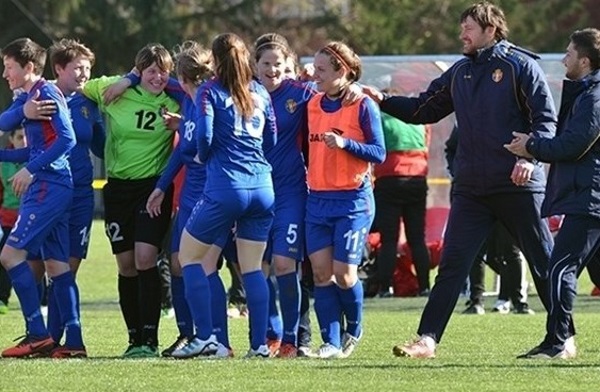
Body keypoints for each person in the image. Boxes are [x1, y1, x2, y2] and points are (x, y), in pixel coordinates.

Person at [363, 1, 560, 359]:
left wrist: (531, 156)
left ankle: (563, 339)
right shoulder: (459, 73)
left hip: (518, 183)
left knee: (543, 261)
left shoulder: (520, 66)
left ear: (490, 29)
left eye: (468, 28)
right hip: (472, 188)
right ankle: (427, 340)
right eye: (461, 28)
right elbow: (423, 108)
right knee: (453, 265)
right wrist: (382, 100)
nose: (461, 35)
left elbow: (546, 121)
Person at [171, 32, 277, 359]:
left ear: (215, 61)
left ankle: (205, 337)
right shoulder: (260, 91)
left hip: (226, 185)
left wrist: (204, 156)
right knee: (252, 268)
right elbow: (271, 138)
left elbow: (204, 135)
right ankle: (259, 346)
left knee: (187, 257)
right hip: (262, 186)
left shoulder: (209, 90)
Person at [1, 38, 106, 347]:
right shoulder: (30, 97)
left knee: (9, 256)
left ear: (29, 67)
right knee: (57, 267)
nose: (5, 74)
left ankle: (38, 333)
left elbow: (67, 139)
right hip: (55, 187)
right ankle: (73, 342)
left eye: (8, 67)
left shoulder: (46, 93)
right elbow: (30, 145)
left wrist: (31, 170)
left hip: (50, 186)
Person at [504, 27, 600, 359]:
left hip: (590, 198)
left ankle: (558, 343)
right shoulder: (586, 93)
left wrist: (531, 146)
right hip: (586, 194)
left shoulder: (595, 97)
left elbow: (574, 145)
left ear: (584, 61)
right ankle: (557, 340)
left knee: (560, 268)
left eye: (569, 54)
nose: (563, 59)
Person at [82, 43, 179, 358]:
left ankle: (150, 340)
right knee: (126, 265)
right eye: (151, 71)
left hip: (153, 189)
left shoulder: (172, 98)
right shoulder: (115, 92)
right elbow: (81, 86)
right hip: (118, 190)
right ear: (139, 71)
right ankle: (133, 338)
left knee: (145, 259)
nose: (158, 77)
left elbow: (197, 91)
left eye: (163, 71)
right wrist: (127, 80)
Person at [144, 40, 234, 358]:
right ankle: (190, 334)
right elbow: (184, 151)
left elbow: (207, 146)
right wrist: (161, 186)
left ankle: (218, 339)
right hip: (190, 194)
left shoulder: (216, 98)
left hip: (215, 194)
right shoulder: (190, 102)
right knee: (179, 263)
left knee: (206, 265)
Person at [306, 41, 385, 359]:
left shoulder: (363, 105)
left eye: (322, 70)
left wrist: (344, 143)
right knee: (321, 274)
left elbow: (379, 153)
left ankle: (354, 327)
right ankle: (330, 343)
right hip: (317, 200)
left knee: (345, 274)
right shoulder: (311, 103)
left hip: (353, 201)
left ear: (343, 71)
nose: (315, 74)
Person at [373, 93, 431, 298]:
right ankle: (425, 286)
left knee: (389, 239)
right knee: (417, 239)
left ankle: (385, 287)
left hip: (389, 178)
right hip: (417, 178)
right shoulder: (420, 121)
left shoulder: (380, 117)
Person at [0, 128, 25, 315]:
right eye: (19, 137)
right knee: (4, 259)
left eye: (26, 136)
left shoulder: (36, 158)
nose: (23, 141)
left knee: (38, 260)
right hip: (8, 219)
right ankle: (2, 299)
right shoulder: (3, 162)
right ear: (11, 139)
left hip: (32, 218)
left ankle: (44, 301)